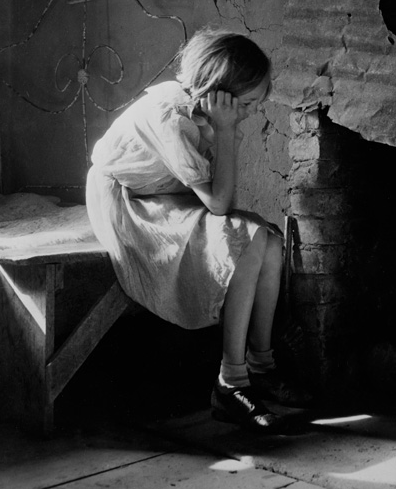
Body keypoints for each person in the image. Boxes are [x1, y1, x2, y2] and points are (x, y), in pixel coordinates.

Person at [86, 27, 310, 432]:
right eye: (248, 104)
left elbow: (221, 202)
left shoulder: (200, 111)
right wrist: (225, 132)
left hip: (167, 194)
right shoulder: (171, 119)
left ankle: (261, 365)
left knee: (267, 239)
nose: (251, 112)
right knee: (246, 238)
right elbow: (221, 204)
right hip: (130, 203)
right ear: (219, 93)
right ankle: (231, 383)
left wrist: (223, 129)